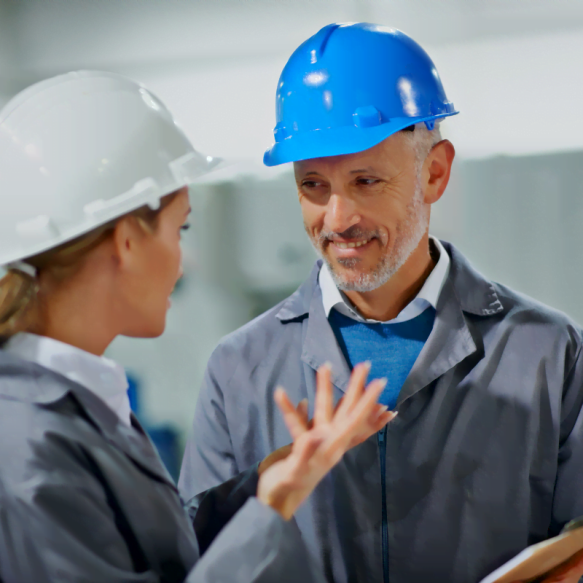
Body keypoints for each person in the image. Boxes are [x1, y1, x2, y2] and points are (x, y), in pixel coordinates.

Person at [178, 23, 583, 583]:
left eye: (366, 181)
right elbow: (197, 563)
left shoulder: (547, 352)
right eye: (313, 185)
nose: (338, 220)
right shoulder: (239, 369)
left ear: (435, 172)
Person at [0, 70, 396, 583]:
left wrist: (271, 477)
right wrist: (275, 505)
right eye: (179, 228)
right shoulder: (27, 447)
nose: (181, 264)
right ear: (126, 241)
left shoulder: (67, 404)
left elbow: (158, 550)